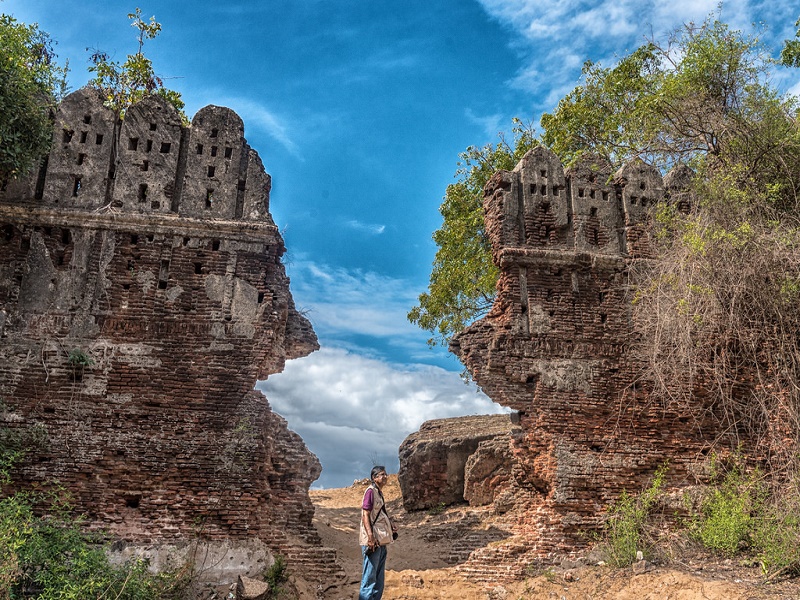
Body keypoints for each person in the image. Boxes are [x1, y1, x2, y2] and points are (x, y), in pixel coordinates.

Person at [358, 465, 397, 600]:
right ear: (374, 478)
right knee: (370, 578)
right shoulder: (370, 491)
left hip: (381, 540)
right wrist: (370, 537)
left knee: (378, 579)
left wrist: (390, 524)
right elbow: (365, 514)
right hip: (373, 541)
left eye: (385, 474)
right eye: (382, 474)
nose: (385, 477)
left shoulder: (378, 492)